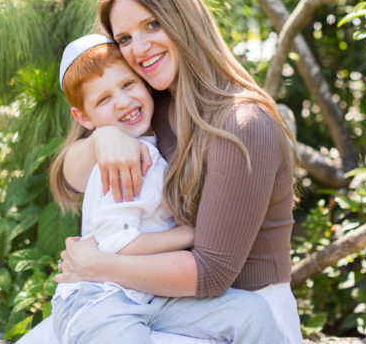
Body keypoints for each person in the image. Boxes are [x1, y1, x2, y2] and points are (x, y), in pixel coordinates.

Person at [46, 33, 279, 344]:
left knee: (250, 313)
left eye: (128, 85)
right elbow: (116, 241)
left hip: (153, 295)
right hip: (100, 299)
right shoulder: (119, 160)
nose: (124, 102)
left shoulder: (154, 142)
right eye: (104, 99)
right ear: (84, 117)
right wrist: (189, 234)